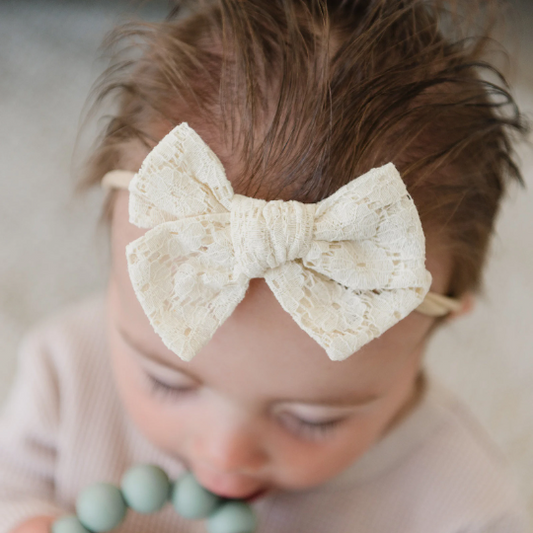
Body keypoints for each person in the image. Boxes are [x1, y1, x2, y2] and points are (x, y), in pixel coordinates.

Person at [0, 0, 530, 532]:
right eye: (166, 383)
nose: (225, 455)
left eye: (311, 420)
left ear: (444, 319)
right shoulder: (66, 373)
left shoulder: (456, 498)